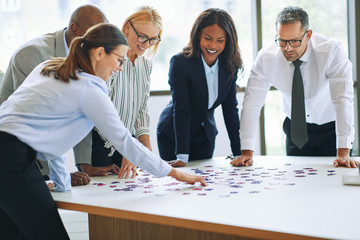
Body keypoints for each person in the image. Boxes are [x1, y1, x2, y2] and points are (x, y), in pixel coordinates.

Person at [0, 23, 206, 240]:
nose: (120, 67)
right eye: (119, 60)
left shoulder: (50, 67)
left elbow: (51, 136)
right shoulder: (89, 89)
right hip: (11, 160)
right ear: (99, 53)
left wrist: (62, 184)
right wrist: (175, 173)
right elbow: (123, 140)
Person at [231, 6, 357, 168]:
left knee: (334, 184)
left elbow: (343, 100)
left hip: (332, 131)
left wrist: (343, 153)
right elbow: (252, 104)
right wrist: (246, 152)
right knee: (297, 184)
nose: (288, 48)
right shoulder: (266, 58)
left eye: (294, 41)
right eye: (282, 41)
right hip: (296, 131)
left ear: (308, 35)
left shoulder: (331, 51)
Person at [0, 4, 109, 185]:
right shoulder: (33, 54)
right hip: (11, 149)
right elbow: (35, 121)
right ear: (75, 29)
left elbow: (80, 112)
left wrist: (84, 164)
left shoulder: (85, 57)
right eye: (95, 34)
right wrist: (58, 175)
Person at [80, 6, 162, 179]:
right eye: (142, 36)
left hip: (127, 141)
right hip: (100, 141)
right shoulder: (111, 59)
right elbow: (100, 109)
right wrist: (128, 148)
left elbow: (141, 110)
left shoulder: (146, 64)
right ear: (127, 28)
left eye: (153, 39)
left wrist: (146, 148)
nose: (146, 44)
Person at [157, 8, 242, 167]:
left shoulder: (230, 65)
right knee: (177, 185)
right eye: (208, 38)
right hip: (174, 136)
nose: (213, 45)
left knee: (205, 184)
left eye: (220, 40)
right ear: (198, 36)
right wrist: (181, 155)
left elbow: (230, 109)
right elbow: (182, 109)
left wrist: (239, 153)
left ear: (228, 41)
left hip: (205, 137)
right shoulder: (180, 63)